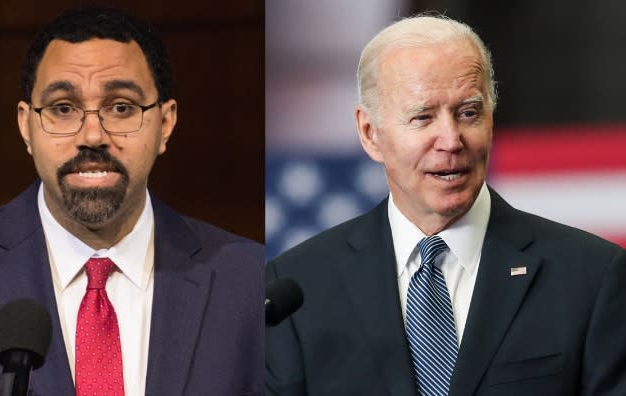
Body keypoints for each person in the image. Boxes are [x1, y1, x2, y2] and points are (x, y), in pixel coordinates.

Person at [265, 15, 626, 396]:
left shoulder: (592, 278)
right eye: (422, 118)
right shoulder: (294, 291)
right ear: (370, 133)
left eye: (468, 113)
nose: (451, 140)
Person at [0, 6, 263, 395]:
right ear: (26, 125)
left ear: (165, 124)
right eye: (63, 109)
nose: (92, 135)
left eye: (121, 107)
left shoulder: (249, 282)